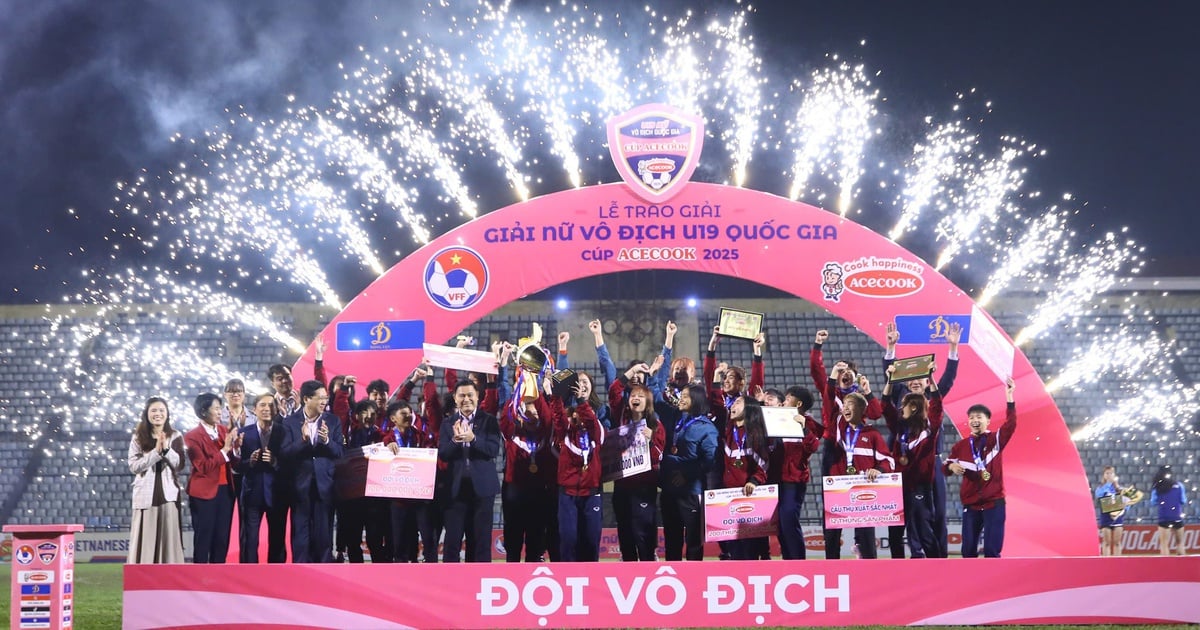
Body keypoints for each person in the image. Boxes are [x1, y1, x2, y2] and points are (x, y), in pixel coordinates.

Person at [881, 320, 960, 558]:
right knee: (898, 513)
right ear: (904, 384)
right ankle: (900, 559)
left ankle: (939, 557)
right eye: (911, 378)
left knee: (936, 514)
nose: (915, 381)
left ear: (927, 382)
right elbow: (889, 377)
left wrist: (953, 349)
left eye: (921, 378)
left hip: (931, 462)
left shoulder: (933, 401)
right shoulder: (900, 400)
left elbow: (949, 378)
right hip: (902, 463)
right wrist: (891, 347)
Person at [822, 377, 893, 560]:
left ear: (862, 410)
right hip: (838, 488)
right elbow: (829, 399)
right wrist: (832, 378)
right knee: (832, 533)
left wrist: (879, 470)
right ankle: (831, 568)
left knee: (866, 535)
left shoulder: (873, 435)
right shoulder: (837, 426)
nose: (845, 408)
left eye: (851, 404)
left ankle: (869, 569)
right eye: (844, 404)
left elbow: (888, 461)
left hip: (863, 492)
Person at [945, 377, 1016, 558]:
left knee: (992, 551)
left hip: (994, 503)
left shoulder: (995, 440)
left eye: (979, 417)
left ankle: (996, 584)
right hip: (971, 504)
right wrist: (952, 466)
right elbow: (944, 468)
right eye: (971, 417)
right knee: (968, 551)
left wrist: (1009, 397)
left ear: (988, 421)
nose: (974, 420)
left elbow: (1011, 425)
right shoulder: (960, 446)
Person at [881, 361, 943, 558]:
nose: (901, 408)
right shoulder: (899, 429)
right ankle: (897, 567)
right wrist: (890, 380)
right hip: (897, 485)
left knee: (925, 532)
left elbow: (937, 406)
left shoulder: (929, 431)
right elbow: (885, 404)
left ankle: (938, 566)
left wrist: (931, 378)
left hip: (920, 487)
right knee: (895, 533)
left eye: (904, 405)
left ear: (914, 408)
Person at [439, 379, 502, 562]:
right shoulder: (447, 423)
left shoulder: (488, 421)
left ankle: (479, 584)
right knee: (452, 541)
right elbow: (443, 454)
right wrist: (455, 441)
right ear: (455, 398)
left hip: (482, 490)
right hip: (455, 491)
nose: (466, 399)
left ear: (478, 397)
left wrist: (474, 439)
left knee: (481, 541)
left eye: (470, 395)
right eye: (462, 395)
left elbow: (492, 450)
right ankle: (450, 585)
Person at [281, 380, 343, 563]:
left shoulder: (333, 421)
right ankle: (300, 571)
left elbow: (340, 452)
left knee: (323, 532)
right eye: (321, 398)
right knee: (300, 532)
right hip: (300, 486)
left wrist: (326, 442)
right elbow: (284, 454)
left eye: (326, 398)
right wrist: (303, 441)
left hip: (325, 484)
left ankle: (325, 569)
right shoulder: (289, 422)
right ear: (307, 399)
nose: (325, 401)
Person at [608, 376, 667, 562]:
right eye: (633, 394)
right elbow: (613, 392)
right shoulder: (621, 421)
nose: (636, 398)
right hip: (622, 485)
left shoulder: (656, 426)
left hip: (644, 488)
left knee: (643, 533)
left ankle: (649, 563)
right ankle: (628, 567)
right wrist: (630, 373)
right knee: (625, 532)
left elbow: (659, 457)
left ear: (648, 401)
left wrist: (650, 442)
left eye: (641, 396)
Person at [659, 384, 718, 561]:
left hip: (691, 492)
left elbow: (710, 460)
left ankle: (694, 580)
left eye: (686, 396)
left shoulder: (707, 428)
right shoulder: (676, 420)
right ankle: (672, 576)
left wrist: (687, 475)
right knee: (672, 540)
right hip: (669, 490)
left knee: (693, 541)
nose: (681, 399)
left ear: (697, 400)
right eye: (681, 395)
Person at [552, 380, 606, 562]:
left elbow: (591, 421)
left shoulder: (597, 432)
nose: (580, 415)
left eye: (584, 411)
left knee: (591, 541)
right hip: (567, 494)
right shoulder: (565, 434)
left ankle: (592, 580)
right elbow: (558, 416)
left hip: (591, 493)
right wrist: (556, 395)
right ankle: (568, 580)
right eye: (576, 412)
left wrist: (582, 401)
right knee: (568, 539)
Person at [127, 396, 186, 564]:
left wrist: (166, 450)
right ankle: (143, 576)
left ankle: (169, 577)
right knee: (145, 540)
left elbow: (179, 464)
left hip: (168, 495)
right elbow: (134, 466)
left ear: (167, 414)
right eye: (154, 410)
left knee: (169, 540)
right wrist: (155, 453)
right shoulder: (138, 437)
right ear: (146, 414)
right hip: (145, 495)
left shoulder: (175, 436)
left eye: (161, 410)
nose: (158, 414)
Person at [184, 392, 239, 563]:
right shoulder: (192, 436)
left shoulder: (224, 431)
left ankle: (218, 579)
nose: (219, 412)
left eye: (220, 408)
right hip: (204, 494)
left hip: (226, 491)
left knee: (222, 538)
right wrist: (224, 450)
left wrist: (236, 447)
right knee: (204, 537)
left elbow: (233, 460)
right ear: (203, 411)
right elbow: (202, 467)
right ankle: (199, 579)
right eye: (216, 408)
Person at [769, 386, 821, 560]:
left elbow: (813, 446)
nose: (783, 400)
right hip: (774, 479)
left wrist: (804, 428)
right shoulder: (776, 418)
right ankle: (788, 560)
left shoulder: (809, 423)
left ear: (798, 403)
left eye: (788, 397)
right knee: (780, 524)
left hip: (794, 480)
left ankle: (798, 561)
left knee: (789, 520)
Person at [239, 393, 288, 563]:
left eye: (271, 405)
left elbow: (292, 463)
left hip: (277, 494)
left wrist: (275, 462)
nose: (267, 409)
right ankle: (248, 577)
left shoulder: (284, 432)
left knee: (277, 539)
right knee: (250, 540)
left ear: (276, 409)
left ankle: (275, 579)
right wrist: (249, 462)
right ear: (254, 409)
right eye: (263, 405)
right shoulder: (243, 433)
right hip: (253, 493)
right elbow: (237, 466)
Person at [383, 399, 431, 563]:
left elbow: (431, 452)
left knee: (425, 537)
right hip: (399, 500)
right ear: (393, 418)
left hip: (420, 498)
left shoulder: (420, 435)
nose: (408, 416)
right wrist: (386, 447)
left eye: (410, 412)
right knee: (399, 540)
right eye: (403, 413)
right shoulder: (387, 438)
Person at [722, 397, 770, 560]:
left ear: (749, 408)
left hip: (748, 498)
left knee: (750, 548)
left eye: (738, 402)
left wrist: (754, 481)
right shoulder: (728, 431)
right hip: (728, 497)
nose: (733, 405)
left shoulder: (755, 434)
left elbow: (763, 464)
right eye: (733, 403)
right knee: (733, 546)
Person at [343, 400, 390, 563]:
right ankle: (356, 571)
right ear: (357, 415)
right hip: (352, 495)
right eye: (365, 412)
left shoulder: (381, 435)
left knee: (375, 538)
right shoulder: (348, 434)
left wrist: (391, 444)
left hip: (374, 496)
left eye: (373, 413)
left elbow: (390, 440)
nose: (369, 416)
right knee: (353, 539)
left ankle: (378, 573)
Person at [1094, 466, 1141, 556]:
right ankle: (1106, 562)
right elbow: (1099, 495)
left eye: (1111, 473)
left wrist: (1124, 506)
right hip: (1106, 517)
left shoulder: (1120, 489)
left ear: (1114, 475)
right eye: (1107, 473)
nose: (1109, 475)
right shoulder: (1100, 488)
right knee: (1106, 542)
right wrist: (1108, 484)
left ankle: (1117, 562)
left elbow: (1128, 502)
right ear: (1104, 475)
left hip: (1118, 518)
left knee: (1117, 542)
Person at [1150, 465, 1189, 556]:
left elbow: (1153, 502)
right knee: (1180, 543)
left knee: (1164, 544)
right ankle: (1183, 566)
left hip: (1164, 517)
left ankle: (1165, 567)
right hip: (1176, 516)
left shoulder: (1157, 487)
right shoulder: (1179, 485)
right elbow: (1183, 500)